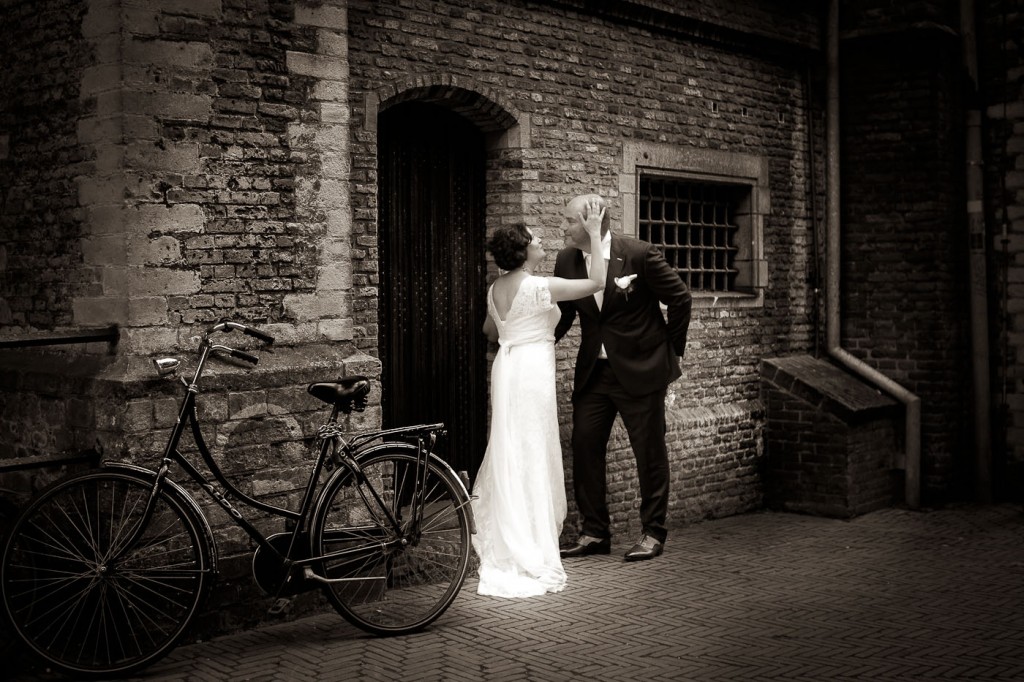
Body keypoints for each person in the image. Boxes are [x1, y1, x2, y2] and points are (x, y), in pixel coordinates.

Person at [472, 199, 607, 598]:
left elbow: (489, 332)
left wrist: (513, 330)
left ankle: (512, 524)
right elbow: (597, 281)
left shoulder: (495, 288)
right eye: (535, 239)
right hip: (530, 371)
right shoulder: (537, 286)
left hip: (507, 369)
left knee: (510, 446)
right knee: (531, 448)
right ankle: (531, 536)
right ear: (523, 251)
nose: (542, 240)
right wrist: (596, 234)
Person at [554, 193, 692, 562]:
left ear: (590, 222)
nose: (562, 226)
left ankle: (653, 532)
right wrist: (532, 342)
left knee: (648, 452)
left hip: (641, 371)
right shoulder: (566, 260)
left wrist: (672, 350)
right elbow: (565, 315)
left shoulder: (639, 254)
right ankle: (595, 532)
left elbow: (680, 298)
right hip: (594, 375)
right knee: (584, 447)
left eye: (568, 220)